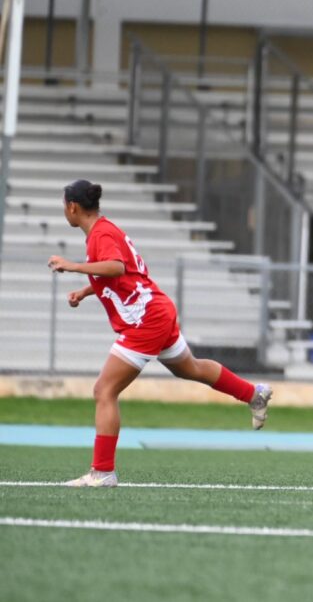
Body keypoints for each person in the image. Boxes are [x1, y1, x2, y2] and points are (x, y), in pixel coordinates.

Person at [47, 180, 273, 488]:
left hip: (146, 321)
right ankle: (253, 394)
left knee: (104, 391)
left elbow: (115, 267)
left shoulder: (100, 234)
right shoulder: (104, 230)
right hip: (157, 310)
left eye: (64, 206)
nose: (64, 211)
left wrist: (71, 266)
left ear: (73, 207)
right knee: (190, 368)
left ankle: (102, 472)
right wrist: (86, 292)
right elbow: (123, 274)